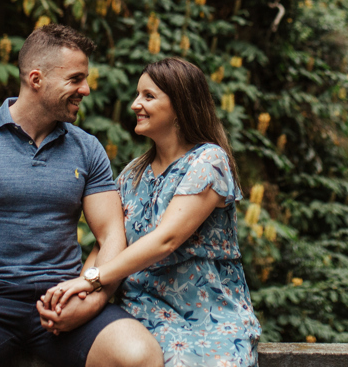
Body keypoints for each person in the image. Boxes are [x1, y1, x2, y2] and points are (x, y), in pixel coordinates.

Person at [0, 24, 163, 367]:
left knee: (141, 356)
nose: (87, 89)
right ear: (36, 80)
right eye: (76, 79)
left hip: (62, 302)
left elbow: (111, 233)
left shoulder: (87, 148)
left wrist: (91, 298)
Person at [42, 57, 261, 367]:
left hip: (205, 318)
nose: (135, 104)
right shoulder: (132, 174)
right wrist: (80, 298)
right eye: (137, 95)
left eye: (148, 96)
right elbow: (107, 242)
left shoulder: (209, 161)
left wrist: (91, 279)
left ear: (180, 105)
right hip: (139, 313)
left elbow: (166, 239)